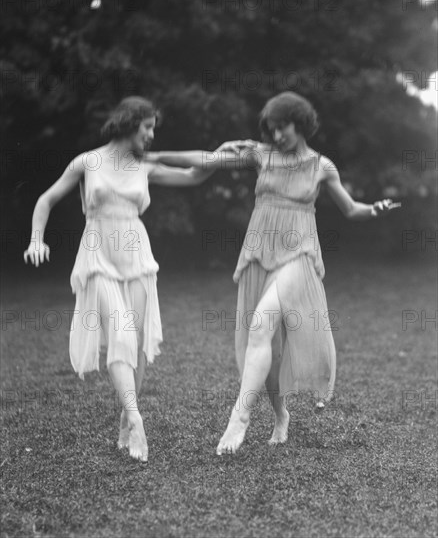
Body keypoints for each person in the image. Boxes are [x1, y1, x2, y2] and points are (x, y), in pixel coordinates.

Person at [146, 91, 400, 456]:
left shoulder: (322, 167)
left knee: (262, 324)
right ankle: (280, 414)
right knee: (268, 349)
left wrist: (374, 209)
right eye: (272, 129)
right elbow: (207, 159)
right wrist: (155, 156)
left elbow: (350, 208)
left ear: (302, 124)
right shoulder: (260, 155)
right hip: (260, 253)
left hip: (299, 252)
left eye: (283, 128)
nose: (277, 135)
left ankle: (240, 417)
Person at [23, 96, 223, 462]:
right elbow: (45, 200)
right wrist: (37, 238)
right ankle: (136, 418)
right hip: (98, 254)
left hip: (136, 255)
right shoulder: (88, 161)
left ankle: (123, 420)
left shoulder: (146, 164)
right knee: (121, 335)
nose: (150, 134)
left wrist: (212, 154)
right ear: (130, 123)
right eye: (147, 127)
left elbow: (197, 174)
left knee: (139, 342)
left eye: (152, 129)